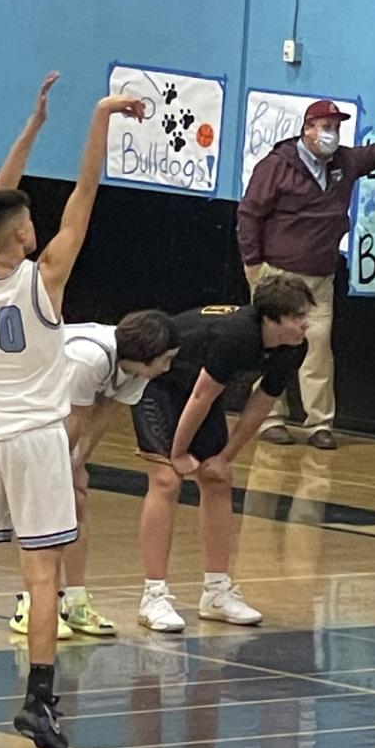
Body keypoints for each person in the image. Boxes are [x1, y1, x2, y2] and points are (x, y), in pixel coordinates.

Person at [0, 76, 144, 748]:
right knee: (41, 576)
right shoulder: (45, 274)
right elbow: (85, 194)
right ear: (25, 230)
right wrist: (98, 117)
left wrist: (30, 128)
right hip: (33, 441)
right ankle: (39, 703)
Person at [237, 95, 375, 450]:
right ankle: (270, 418)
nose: (332, 134)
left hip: (320, 276)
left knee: (319, 348)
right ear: (307, 130)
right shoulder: (277, 165)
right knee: (271, 347)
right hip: (277, 274)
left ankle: (319, 423)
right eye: (325, 127)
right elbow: (249, 213)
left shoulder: (345, 162)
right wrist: (252, 262)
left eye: (336, 128)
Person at [131, 270, 312, 633]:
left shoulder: (295, 347)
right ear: (270, 319)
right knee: (167, 479)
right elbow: (201, 395)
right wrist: (180, 452)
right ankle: (153, 595)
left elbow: (261, 403)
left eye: (306, 316)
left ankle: (216, 591)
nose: (304, 325)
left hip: (199, 391)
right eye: (296, 317)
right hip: (159, 383)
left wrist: (226, 456)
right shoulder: (236, 336)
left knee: (218, 479)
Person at [9, 310, 178, 639]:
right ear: (146, 356)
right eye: (166, 359)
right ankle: (32, 603)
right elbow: (74, 418)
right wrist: (60, 472)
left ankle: (74, 601)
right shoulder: (89, 358)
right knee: (44, 510)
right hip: (22, 407)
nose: (167, 368)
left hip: (57, 411)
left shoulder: (137, 371)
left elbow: (104, 413)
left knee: (76, 501)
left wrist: (77, 464)